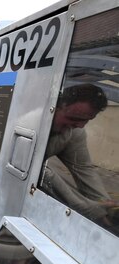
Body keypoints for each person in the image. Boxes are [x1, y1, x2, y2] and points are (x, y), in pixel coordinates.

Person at [42, 83, 116, 228]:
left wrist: (106, 207)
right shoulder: (32, 122)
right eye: (73, 118)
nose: (80, 125)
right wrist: (87, 207)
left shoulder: (73, 132)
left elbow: (84, 170)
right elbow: (40, 172)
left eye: (86, 120)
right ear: (54, 107)